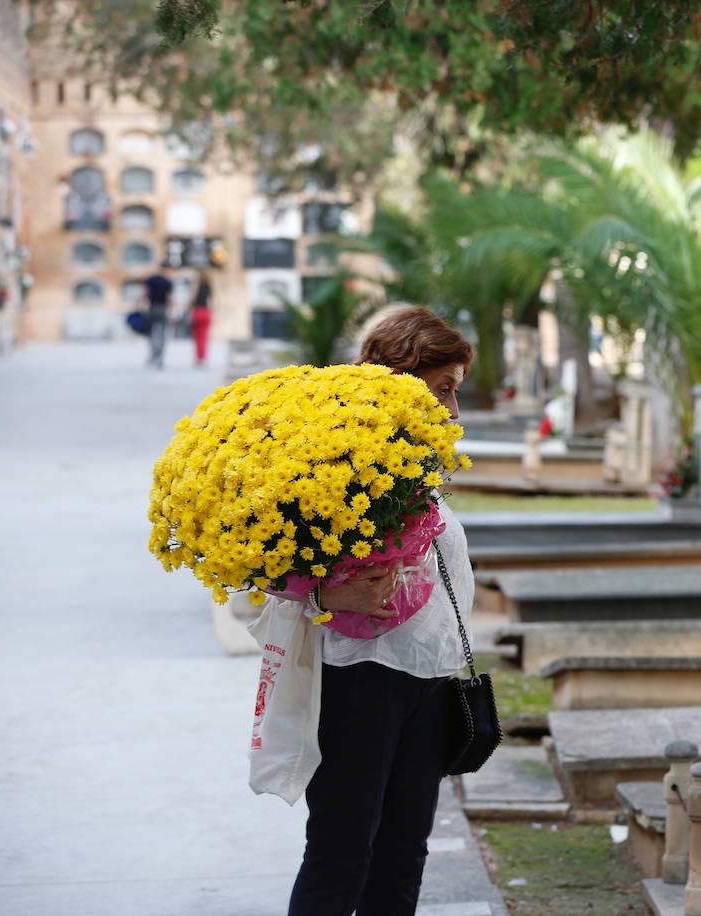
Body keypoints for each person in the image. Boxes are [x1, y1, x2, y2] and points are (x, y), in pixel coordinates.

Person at [286, 306, 475, 916]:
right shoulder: (330, 463)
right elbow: (260, 568)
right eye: (443, 390)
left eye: (455, 392)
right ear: (400, 380)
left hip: (432, 681)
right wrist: (326, 596)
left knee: (402, 856)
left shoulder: (414, 467)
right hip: (360, 681)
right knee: (342, 854)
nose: (451, 411)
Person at [142, 267, 174, 369]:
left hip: (152, 308)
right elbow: (169, 298)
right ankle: (160, 357)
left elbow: (146, 293)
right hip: (163, 309)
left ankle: (153, 354)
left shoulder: (151, 280)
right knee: (163, 335)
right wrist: (172, 311)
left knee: (152, 334)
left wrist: (139, 305)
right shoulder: (167, 282)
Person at [181, 271, 213, 368]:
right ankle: (203, 357)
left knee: (197, 337)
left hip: (197, 312)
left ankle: (198, 358)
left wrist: (186, 311)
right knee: (204, 337)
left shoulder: (196, 286)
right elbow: (211, 301)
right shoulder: (208, 287)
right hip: (206, 312)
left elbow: (192, 300)